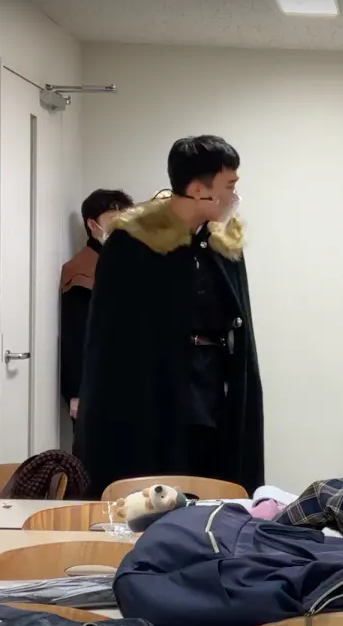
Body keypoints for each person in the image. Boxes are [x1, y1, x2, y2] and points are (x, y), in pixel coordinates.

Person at [75, 135, 263, 497]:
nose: (235, 195)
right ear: (197, 190)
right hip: (152, 393)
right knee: (161, 483)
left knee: (213, 482)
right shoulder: (133, 244)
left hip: (215, 389)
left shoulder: (221, 243)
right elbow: (108, 339)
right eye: (229, 185)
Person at [61, 189, 134, 425]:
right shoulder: (81, 269)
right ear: (92, 224)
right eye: (115, 220)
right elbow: (75, 334)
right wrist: (76, 393)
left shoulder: (125, 262)